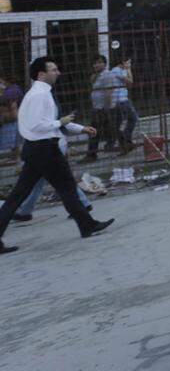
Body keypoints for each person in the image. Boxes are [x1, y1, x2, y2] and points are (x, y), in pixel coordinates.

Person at [0, 57, 114, 255]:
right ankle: (87, 225)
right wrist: (60, 121)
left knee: (19, 195)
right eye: (53, 69)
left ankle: (87, 224)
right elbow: (39, 124)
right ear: (41, 74)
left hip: (38, 149)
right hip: (45, 149)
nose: (58, 72)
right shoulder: (38, 95)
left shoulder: (41, 93)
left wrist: (80, 129)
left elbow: (52, 122)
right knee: (67, 187)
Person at [12, 132, 93, 222]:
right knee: (52, 180)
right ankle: (24, 211)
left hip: (45, 145)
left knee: (56, 180)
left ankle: (24, 211)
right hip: (49, 144)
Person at [85, 56, 117, 161]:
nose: (96, 65)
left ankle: (91, 154)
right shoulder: (97, 76)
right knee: (110, 129)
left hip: (102, 108)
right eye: (94, 63)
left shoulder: (107, 75)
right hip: (97, 107)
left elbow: (109, 92)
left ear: (105, 64)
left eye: (99, 62)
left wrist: (106, 107)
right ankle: (125, 144)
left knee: (94, 131)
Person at [110, 58, 140, 154]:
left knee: (131, 120)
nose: (129, 64)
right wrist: (129, 69)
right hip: (120, 100)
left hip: (123, 99)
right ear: (124, 62)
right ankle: (124, 143)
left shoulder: (121, 71)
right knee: (125, 122)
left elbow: (129, 85)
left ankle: (126, 142)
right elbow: (130, 81)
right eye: (128, 62)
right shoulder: (116, 71)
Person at [0, 75, 22, 153]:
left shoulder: (11, 91)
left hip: (10, 119)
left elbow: (13, 106)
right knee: (16, 141)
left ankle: (14, 158)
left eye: (1, 81)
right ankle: (15, 158)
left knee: (10, 141)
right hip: (14, 118)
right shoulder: (13, 89)